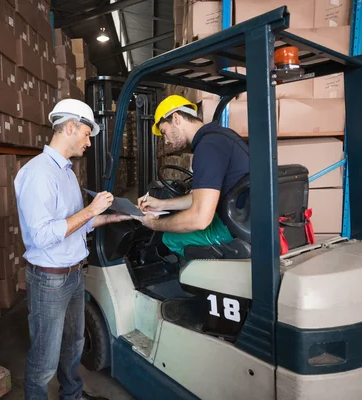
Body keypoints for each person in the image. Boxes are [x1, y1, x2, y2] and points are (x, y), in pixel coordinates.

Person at [15, 99, 131, 400]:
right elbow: (42, 235)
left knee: (73, 345)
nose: (89, 142)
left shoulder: (66, 172)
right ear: (70, 127)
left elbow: (75, 225)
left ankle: (73, 396)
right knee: (44, 359)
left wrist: (109, 216)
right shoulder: (39, 173)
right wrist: (91, 208)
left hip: (73, 275)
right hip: (49, 280)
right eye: (86, 134)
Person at [137, 94, 250, 236]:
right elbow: (202, 197)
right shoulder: (219, 137)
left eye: (164, 132)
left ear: (176, 118)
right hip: (244, 218)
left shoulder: (208, 147)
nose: (166, 141)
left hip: (233, 227)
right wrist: (161, 204)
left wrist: (154, 224)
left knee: (169, 238)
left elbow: (199, 219)